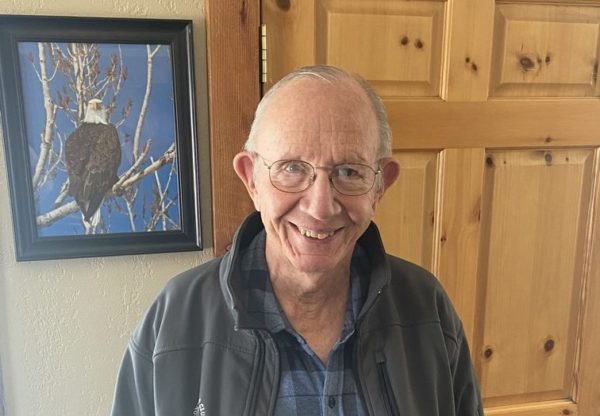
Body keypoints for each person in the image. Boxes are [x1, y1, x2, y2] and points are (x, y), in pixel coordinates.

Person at [111, 65, 484, 415]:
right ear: (252, 179)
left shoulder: (427, 309)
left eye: (349, 171)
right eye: (291, 168)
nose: (320, 207)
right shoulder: (175, 320)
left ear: (380, 186)